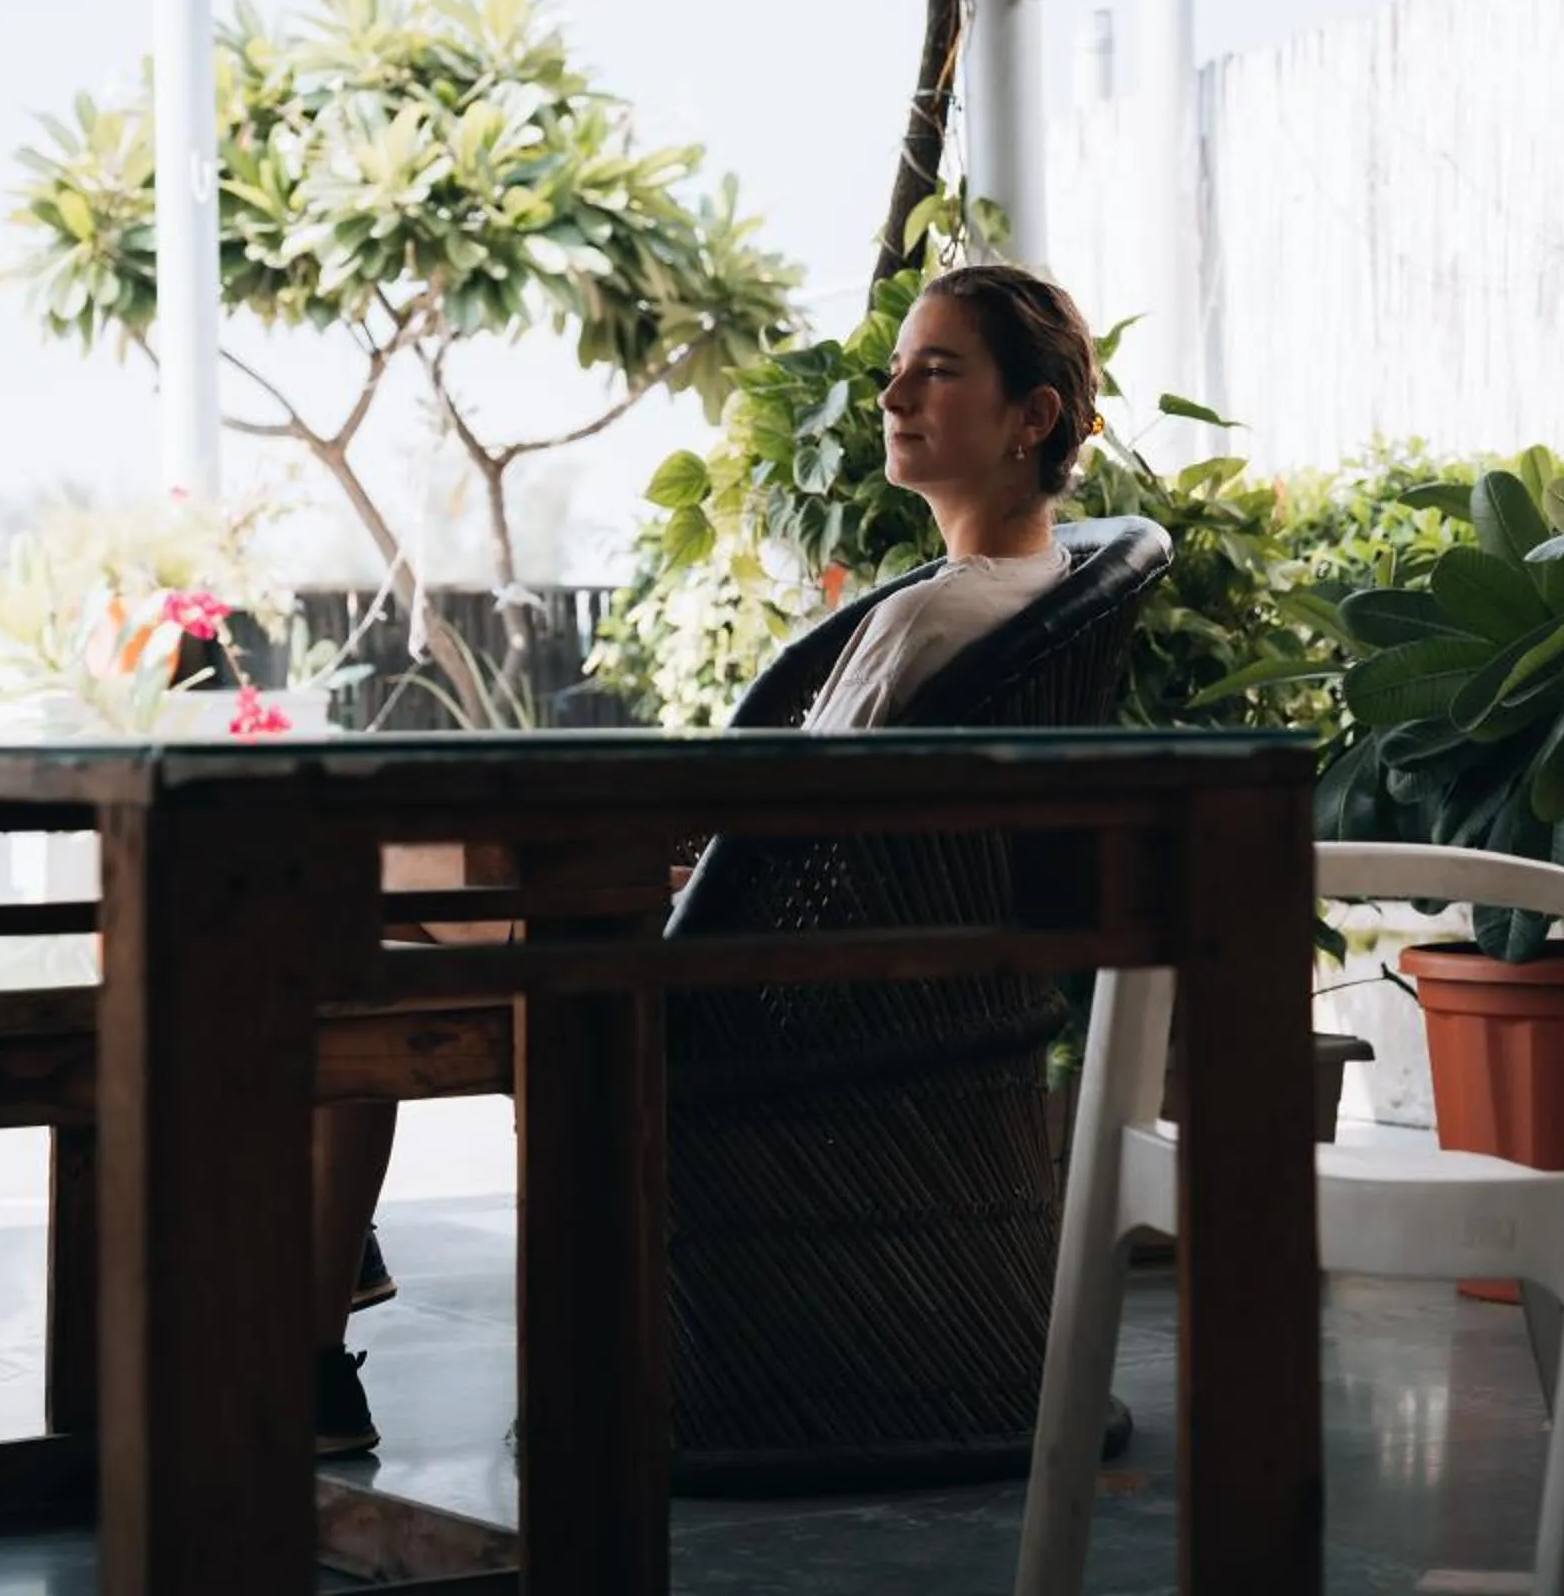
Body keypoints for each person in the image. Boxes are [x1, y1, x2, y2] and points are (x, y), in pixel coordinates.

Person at [310, 261, 1106, 1454]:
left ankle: (310, 1328)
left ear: (1031, 416)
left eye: (936, 370)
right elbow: (831, 831)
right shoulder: (1034, 590)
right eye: (896, 368)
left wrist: (680, 879)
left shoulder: (937, 616)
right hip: (807, 964)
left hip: (739, 986)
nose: (894, 393)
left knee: (345, 895)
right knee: (358, 954)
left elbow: (804, 839)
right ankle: (317, 1330)